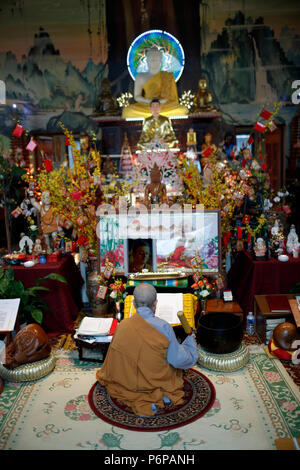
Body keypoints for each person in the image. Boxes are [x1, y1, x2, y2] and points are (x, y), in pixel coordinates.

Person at [96, 283, 198, 416]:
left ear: (133, 303)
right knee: (174, 368)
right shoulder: (164, 326)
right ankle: (156, 392)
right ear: (155, 304)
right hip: (156, 380)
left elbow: (114, 358)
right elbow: (177, 360)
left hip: (127, 379)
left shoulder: (122, 325)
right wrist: (190, 344)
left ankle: (136, 388)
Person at [122, 47, 188, 118]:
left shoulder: (168, 76)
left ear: (161, 60)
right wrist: (149, 102)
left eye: (156, 59)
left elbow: (171, 98)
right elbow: (137, 96)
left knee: (182, 110)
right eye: (151, 59)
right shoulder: (140, 76)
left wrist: (161, 102)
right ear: (147, 60)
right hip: (147, 105)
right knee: (128, 111)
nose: (153, 61)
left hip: (164, 106)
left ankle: (157, 112)